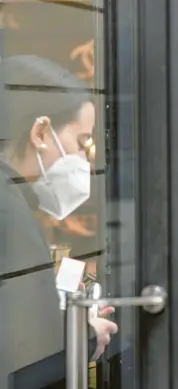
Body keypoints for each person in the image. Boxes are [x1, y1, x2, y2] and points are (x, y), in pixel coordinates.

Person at [0, 55, 117, 388]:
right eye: (82, 142)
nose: (85, 159)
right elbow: (26, 352)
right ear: (40, 131)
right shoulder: (11, 213)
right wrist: (88, 336)